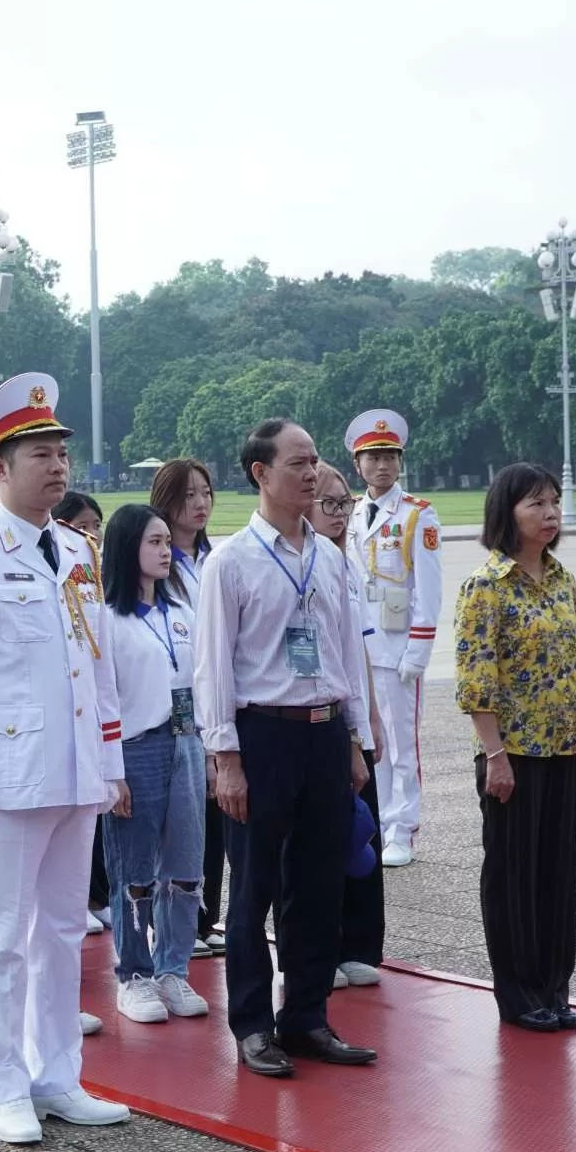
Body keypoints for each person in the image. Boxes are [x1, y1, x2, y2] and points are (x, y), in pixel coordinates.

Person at [0, 371, 131, 1144]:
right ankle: (4, 1081)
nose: (57, 466)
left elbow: (97, 660)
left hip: (75, 768)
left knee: (61, 934)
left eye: (60, 453)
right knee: (3, 935)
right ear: (0, 468)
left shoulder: (79, 547)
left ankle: (59, 1074)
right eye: (39, 453)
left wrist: (109, 760)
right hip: (6, 778)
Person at [194, 418, 375, 1079]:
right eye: (297, 462)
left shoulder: (329, 556)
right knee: (255, 888)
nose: (312, 472)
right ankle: (252, 1023)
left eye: (315, 459)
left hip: (324, 731)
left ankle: (307, 1014)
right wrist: (226, 758)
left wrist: (355, 738)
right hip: (261, 735)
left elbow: (344, 651)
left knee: (319, 883)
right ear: (260, 472)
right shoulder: (232, 561)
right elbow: (212, 666)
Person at [455, 463, 576, 1033]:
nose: (550, 514)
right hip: (513, 754)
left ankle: (554, 986)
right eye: (537, 504)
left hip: (565, 747)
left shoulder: (563, 579)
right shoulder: (485, 586)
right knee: (513, 875)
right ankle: (519, 996)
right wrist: (495, 757)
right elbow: (476, 679)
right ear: (507, 513)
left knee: (557, 873)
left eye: (555, 503)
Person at [100, 503, 211, 1025]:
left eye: (168, 541)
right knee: (135, 870)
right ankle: (135, 974)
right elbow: (102, 698)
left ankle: (174, 968)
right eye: (153, 542)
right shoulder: (107, 619)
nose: (166, 551)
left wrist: (210, 751)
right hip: (135, 748)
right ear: (127, 548)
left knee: (186, 867)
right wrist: (110, 769)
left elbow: (201, 688)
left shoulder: (181, 613)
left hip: (185, 744)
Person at [344, 410, 441, 866]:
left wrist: (418, 653)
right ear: (358, 465)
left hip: (398, 646)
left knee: (402, 744)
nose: (383, 465)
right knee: (370, 743)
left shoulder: (416, 515)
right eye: (373, 457)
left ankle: (403, 827)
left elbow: (429, 589)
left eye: (390, 456)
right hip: (360, 650)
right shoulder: (351, 514)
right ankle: (379, 823)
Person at [309, 463, 387, 990]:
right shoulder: (288, 564)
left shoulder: (346, 563)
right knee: (318, 838)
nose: (340, 515)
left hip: (353, 712)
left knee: (362, 826)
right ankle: (322, 945)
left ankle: (361, 943)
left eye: (345, 505)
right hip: (313, 716)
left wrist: (373, 716)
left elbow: (360, 647)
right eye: (330, 505)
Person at [150, 457, 224, 959]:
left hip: (215, 703)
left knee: (214, 817)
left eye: (205, 494)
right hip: (172, 709)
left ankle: (204, 915)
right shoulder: (157, 562)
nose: (199, 504)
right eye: (188, 495)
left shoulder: (215, 558)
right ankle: (172, 923)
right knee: (178, 821)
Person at [54, 490, 111, 936]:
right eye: (84, 523)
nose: (92, 532)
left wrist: (110, 759)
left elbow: (98, 663)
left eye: (97, 524)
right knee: (5, 917)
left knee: (62, 919)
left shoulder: (84, 559)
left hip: (83, 740)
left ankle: (57, 1009)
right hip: (22, 755)